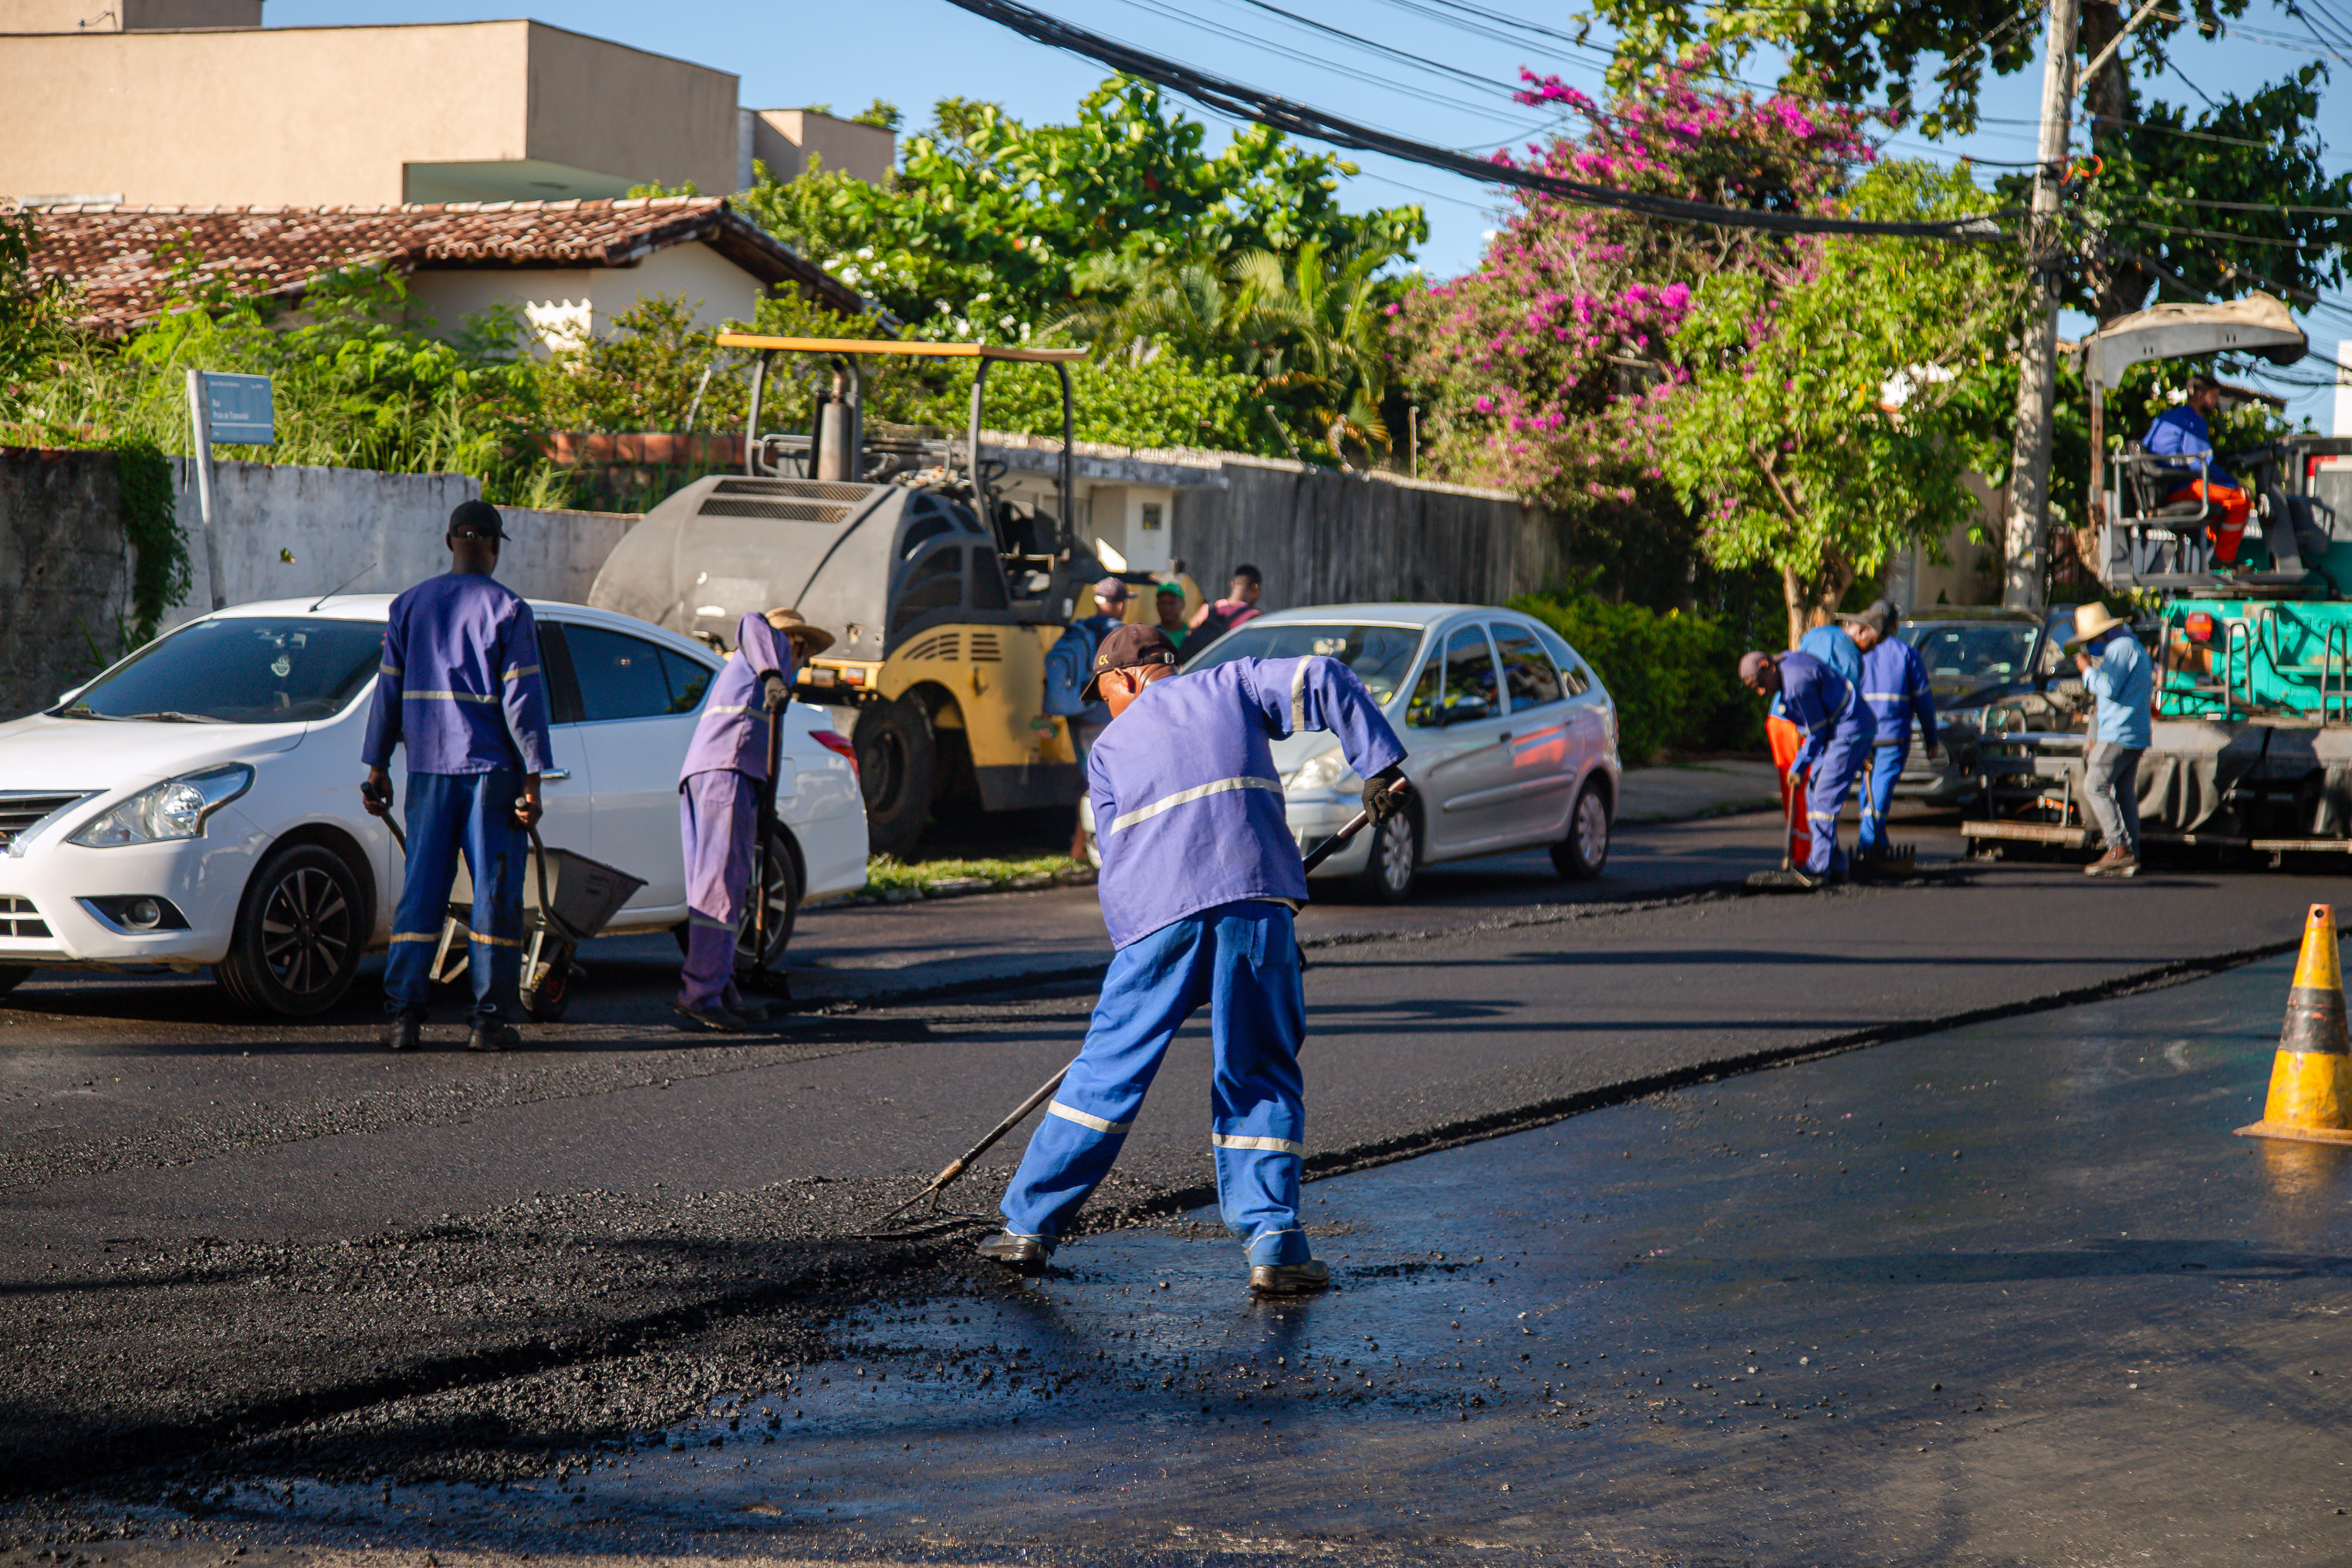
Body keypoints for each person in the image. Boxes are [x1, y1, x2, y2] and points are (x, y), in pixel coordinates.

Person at [980, 623, 1411, 1295]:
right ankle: (1275, 1246)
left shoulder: (1108, 748)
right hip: (1253, 906)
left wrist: (1137, 964)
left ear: (1126, 678)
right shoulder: (1233, 684)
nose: (1107, 706)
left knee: (1107, 1071)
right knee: (1258, 1071)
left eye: (1105, 692)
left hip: (1156, 920)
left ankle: (1027, 1228)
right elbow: (1326, 678)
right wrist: (1378, 767)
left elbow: (1117, 859)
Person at [360, 500, 553, 1053]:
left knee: (422, 890)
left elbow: (387, 694)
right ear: (494, 546)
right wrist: (534, 777)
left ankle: (403, 1018)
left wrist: (378, 768)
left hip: (425, 772)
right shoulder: (510, 611)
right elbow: (523, 701)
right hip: (490, 774)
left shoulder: (410, 606)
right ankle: (488, 1021)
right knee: (493, 893)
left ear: (450, 543)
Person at [674, 607, 836, 1032]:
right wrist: (773, 674)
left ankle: (719, 986)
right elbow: (751, 620)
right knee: (720, 888)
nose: (803, 665)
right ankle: (700, 994)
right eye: (805, 655)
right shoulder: (769, 651)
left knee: (724, 885)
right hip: (724, 773)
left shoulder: (761, 685)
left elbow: (765, 747)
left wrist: (766, 804)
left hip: (723, 775)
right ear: (795, 643)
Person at [1740, 644, 1874, 887]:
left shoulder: (1796, 682)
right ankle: (1835, 865)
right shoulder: (1785, 665)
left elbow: (1816, 732)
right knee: (1813, 793)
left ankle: (1818, 867)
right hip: (1837, 731)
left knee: (1824, 795)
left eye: (1760, 683)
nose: (1761, 691)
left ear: (1766, 665)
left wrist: (1798, 766)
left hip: (1849, 730)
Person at [1763, 620, 1863, 870]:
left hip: (1780, 720)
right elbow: (1843, 698)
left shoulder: (1809, 640)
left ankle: (1812, 856)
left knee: (1801, 789)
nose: (1872, 648)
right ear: (1862, 632)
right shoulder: (1849, 653)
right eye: (1873, 642)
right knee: (1814, 789)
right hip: (1803, 724)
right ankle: (1812, 858)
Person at [1046, 578, 1132, 860]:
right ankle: (1089, 847)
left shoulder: (1079, 628)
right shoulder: (1119, 635)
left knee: (1089, 779)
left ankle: (1079, 847)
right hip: (1101, 714)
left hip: (1076, 713)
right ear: (1120, 605)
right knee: (1102, 781)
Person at [1846, 600, 1937, 860]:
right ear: (1894, 625)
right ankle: (1869, 842)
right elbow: (1923, 700)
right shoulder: (1906, 653)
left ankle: (1878, 840)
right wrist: (1932, 738)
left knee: (1869, 787)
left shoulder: (1856, 650)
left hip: (1861, 734)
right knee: (1881, 787)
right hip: (1892, 734)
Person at [2069, 602, 2152, 877]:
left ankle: (2118, 848)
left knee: (2094, 786)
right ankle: (2132, 852)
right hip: (2134, 734)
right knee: (2124, 792)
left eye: (2091, 640)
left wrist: (2085, 669)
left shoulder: (2118, 650)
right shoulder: (2134, 647)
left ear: (2103, 634)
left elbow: (2107, 688)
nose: (2090, 646)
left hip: (2118, 733)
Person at [2142, 374, 2251, 565]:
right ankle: (2224, 560)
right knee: (2241, 499)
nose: (2217, 402)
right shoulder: (2193, 421)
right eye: (2214, 396)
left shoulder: (2169, 417)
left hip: (2162, 487)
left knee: (2222, 505)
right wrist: (2236, 484)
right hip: (2181, 487)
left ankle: (2213, 549)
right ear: (2200, 395)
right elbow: (2201, 464)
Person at [1188, 565, 1265, 646]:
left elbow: (1189, 632)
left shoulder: (1208, 608)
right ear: (1255, 587)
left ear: (1231, 585)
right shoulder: (1254, 615)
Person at [1153, 581, 1190, 648]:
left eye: (1172, 603)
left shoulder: (1190, 634)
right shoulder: (1152, 635)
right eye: (1163, 603)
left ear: (1182, 604)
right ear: (1157, 605)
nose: (1167, 608)